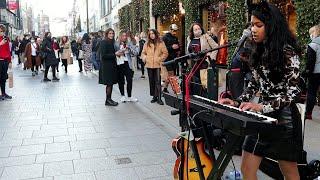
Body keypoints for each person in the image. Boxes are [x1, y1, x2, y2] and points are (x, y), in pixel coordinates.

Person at [218, 2, 302, 179]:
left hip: (284, 120)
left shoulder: (288, 52)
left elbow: (293, 93)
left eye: (258, 25)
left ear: (271, 26)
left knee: (290, 175)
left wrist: (261, 107)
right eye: (251, 25)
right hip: (262, 118)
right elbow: (254, 83)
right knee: (247, 171)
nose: (253, 29)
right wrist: (238, 101)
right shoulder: (258, 49)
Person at [186, 22, 218, 95]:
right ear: (192, 31)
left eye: (199, 28)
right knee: (195, 81)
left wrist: (212, 58)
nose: (198, 30)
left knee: (204, 82)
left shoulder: (206, 36)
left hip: (203, 62)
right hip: (193, 63)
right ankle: (197, 96)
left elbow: (216, 47)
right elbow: (188, 51)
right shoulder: (189, 38)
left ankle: (205, 97)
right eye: (195, 29)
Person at [141, 29, 169, 105]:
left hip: (158, 65)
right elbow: (143, 53)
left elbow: (165, 53)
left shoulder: (161, 42)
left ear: (156, 34)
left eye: (153, 33)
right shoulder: (147, 43)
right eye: (150, 34)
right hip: (149, 65)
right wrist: (145, 58)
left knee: (158, 81)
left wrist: (160, 59)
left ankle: (159, 98)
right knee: (151, 81)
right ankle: (154, 96)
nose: (152, 35)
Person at [115, 30, 139, 103]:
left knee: (129, 79)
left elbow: (136, 53)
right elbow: (114, 53)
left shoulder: (129, 43)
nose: (124, 37)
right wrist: (120, 52)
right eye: (123, 36)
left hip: (128, 63)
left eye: (125, 36)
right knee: (121, 80)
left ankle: (129, 96)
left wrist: (129, 49)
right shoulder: (116, 44)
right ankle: (122, 96)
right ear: (120, 36)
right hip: (119, 63)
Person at [99, 28, 118, 106]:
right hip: (106, 67)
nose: (111, 35)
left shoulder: (111, 42)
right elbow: (103, 55)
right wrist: (115, 54)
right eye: (110, 33)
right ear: (106, 34)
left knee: (111, 83)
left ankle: (109, 99)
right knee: (109, 83)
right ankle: (108, 100)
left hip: (111, 65)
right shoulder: (104, 42)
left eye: (112, 33)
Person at [305, 24, 320, 120]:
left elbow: (310, 62)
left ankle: (308, 113)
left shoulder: (312, 45)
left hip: (315, 72)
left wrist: (307, 73)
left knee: (311, 92)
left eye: (311, 33)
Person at [162, 24, 181, 93]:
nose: (175, 32)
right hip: (167, 59)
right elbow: (162, 49)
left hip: (174, 58)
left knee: (172, 75)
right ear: (170, 30)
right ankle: (176, 89)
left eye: (176, 30)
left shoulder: (175, 38)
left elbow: (177, 47)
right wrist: (171, 47)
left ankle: (165, 89)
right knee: (171, 74)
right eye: (174, 30)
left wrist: (178, 47)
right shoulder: (165, 37)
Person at [0, 24, 12, 100]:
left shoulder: (6, 39)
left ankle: (3, 93)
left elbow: (8, 50)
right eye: (1, 31)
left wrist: (10, 61)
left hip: (5, 61)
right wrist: (0, 44)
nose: (2, 33)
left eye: (3, 31)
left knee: (4, 78)